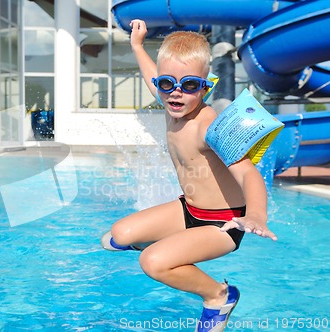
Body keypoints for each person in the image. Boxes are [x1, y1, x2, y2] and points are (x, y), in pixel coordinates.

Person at [101, 19, 277, 332]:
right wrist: (137, 45)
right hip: (190, 210)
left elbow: (249, 175)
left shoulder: (210, 128)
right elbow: (150, 74)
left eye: (190, 86)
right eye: (167, 84)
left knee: (152, 262)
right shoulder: (171, 102)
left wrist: (257, 216)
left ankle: (218, 296)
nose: (176, 94)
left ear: (205, 86)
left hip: (223, 223)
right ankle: (169, 242)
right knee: (117, 236)